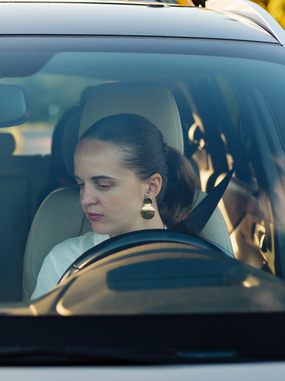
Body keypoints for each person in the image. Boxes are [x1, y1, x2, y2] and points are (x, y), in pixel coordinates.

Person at [30, 113, 198, 300]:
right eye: (81, 184)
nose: (85, 199)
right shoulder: (64, 261)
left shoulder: (199, 262)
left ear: (151, 187)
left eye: (103, 185)